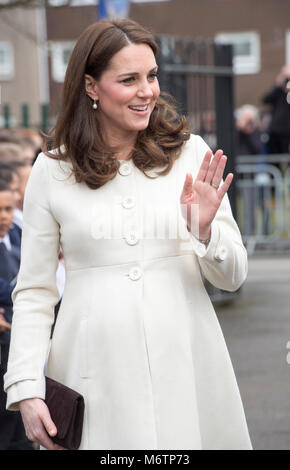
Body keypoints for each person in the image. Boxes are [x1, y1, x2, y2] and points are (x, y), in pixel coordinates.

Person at [4, 19, 252, 450]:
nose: (147, 91)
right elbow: (35, 291)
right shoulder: (52, 168)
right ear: (91, 87)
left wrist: (205, 231)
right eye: (129, 79)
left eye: (152, 76)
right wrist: (25, 386)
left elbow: (233, 277)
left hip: (188, 361)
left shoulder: (191, 153)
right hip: (91, 370)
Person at [0, 179, 33, 450]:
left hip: (16, 339)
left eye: (9, 209)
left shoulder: (17, 236)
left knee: (17, 427)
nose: (4, 216)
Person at [262, 65, 290, 154]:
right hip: (275, 131)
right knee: (274, 160)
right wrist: (278, 85)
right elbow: (265, 99)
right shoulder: (278, 91)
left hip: (288, 132)